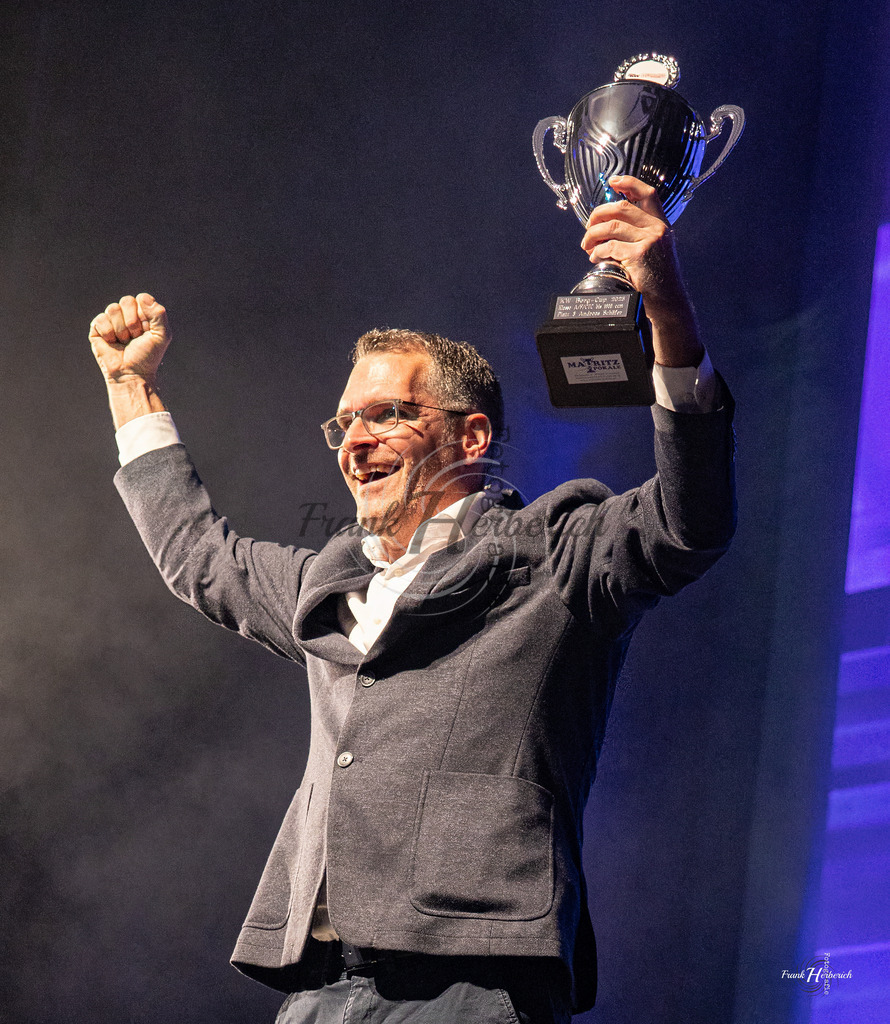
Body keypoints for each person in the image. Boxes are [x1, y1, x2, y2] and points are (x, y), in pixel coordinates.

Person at [89, 176, 736, 1023]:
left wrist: (667, 314)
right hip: (317, 992)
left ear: (470, 437)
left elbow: (692, 522)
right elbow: (198, 557)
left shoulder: (556, 554)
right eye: (343, 424)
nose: (354, 442)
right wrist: (130, 391)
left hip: (469, 986)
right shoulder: (329, 583)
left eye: (386, 415)